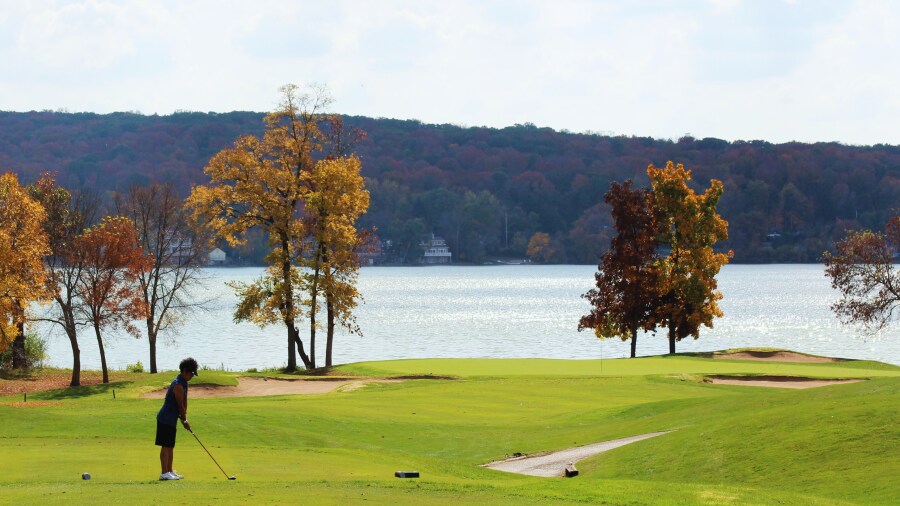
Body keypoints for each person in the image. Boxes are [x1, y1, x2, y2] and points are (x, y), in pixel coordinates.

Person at [155, 357, 198, 480]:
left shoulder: (184, 383)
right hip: (165, 418)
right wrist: (184, 421)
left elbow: (184, 403)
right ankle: (164, 473)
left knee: (170, 445)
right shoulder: (178, 385)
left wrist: (185, 418)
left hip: (171, 419)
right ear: (184, 371)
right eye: (191, 374)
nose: (192, 376)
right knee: (166, 445)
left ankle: (169, 470)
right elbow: (180, 406)